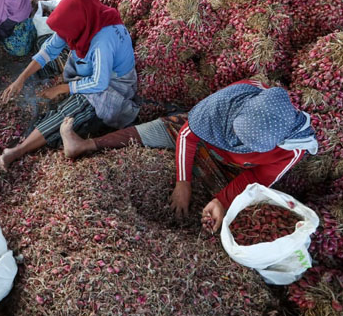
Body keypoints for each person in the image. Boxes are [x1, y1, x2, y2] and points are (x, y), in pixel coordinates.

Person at [58, 79, 319, 232]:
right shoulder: (232, 98)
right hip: (203, 136)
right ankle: (87, 145)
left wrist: (221, 200)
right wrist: (183, 182)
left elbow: (257, 179)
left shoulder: (292, 146)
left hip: (230, 169)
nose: (240, 144)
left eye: (249, 145)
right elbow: (187, 135)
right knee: (160, 127)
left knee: (237, 211)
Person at [0, 0, 139, 169]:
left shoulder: (102, 42)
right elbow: (50, 49)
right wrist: (21, 78)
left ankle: (19, 150)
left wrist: (61, 89)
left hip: (113, 86)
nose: (63, 35)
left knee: (72, 111)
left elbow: (99, 83)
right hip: (92, 67)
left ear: (79, 23)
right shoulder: (87, 20)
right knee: (43, 43)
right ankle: (68, 94)